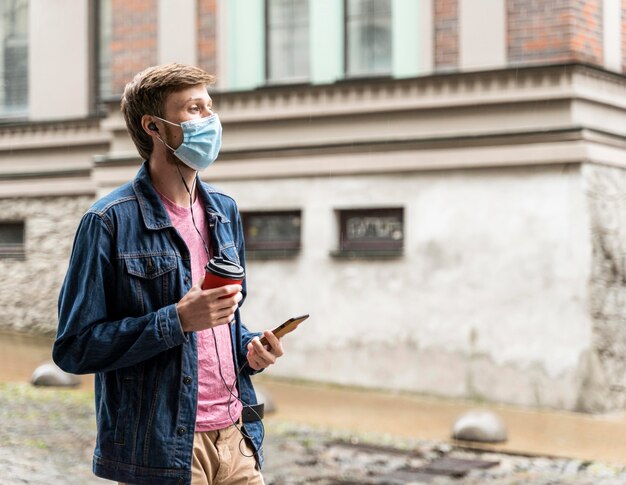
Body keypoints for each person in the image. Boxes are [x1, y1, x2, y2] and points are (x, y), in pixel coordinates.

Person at [53, 63, 284, 485]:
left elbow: (223, 321)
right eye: (193, 108)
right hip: (162, 448)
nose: (209, 120)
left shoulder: (224, 212)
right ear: (154, 127)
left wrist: (250, 350)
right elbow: (74, 348)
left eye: (209, 107)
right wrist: (175, 320)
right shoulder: (107, 221)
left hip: (236, 436)